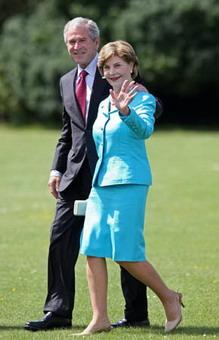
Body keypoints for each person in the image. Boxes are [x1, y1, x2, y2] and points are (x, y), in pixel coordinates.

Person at [24, 17, 161, 332]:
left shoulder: (115, 73)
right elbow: (67, 131)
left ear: (96, 43)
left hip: (111, 173)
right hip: (73, 175)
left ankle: (137, 314)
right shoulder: (65, 81)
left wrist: (137, 107)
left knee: (123, 244)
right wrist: (56, 169)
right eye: (71, 41)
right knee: (60, 242)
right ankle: (57, 312)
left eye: (82, 40)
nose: (76, 46)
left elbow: (149, 106)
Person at [75, 40, 184, 336]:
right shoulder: (102, 103)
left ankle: (169, 297)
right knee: (92, 249)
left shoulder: (142, 98)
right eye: (107, 67)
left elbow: (145, 130)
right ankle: (100, 318)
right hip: (101, 183)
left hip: (130, 181)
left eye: (118, 66)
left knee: (125, 253)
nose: (111, 72)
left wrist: (126, 112)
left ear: (133, 67)